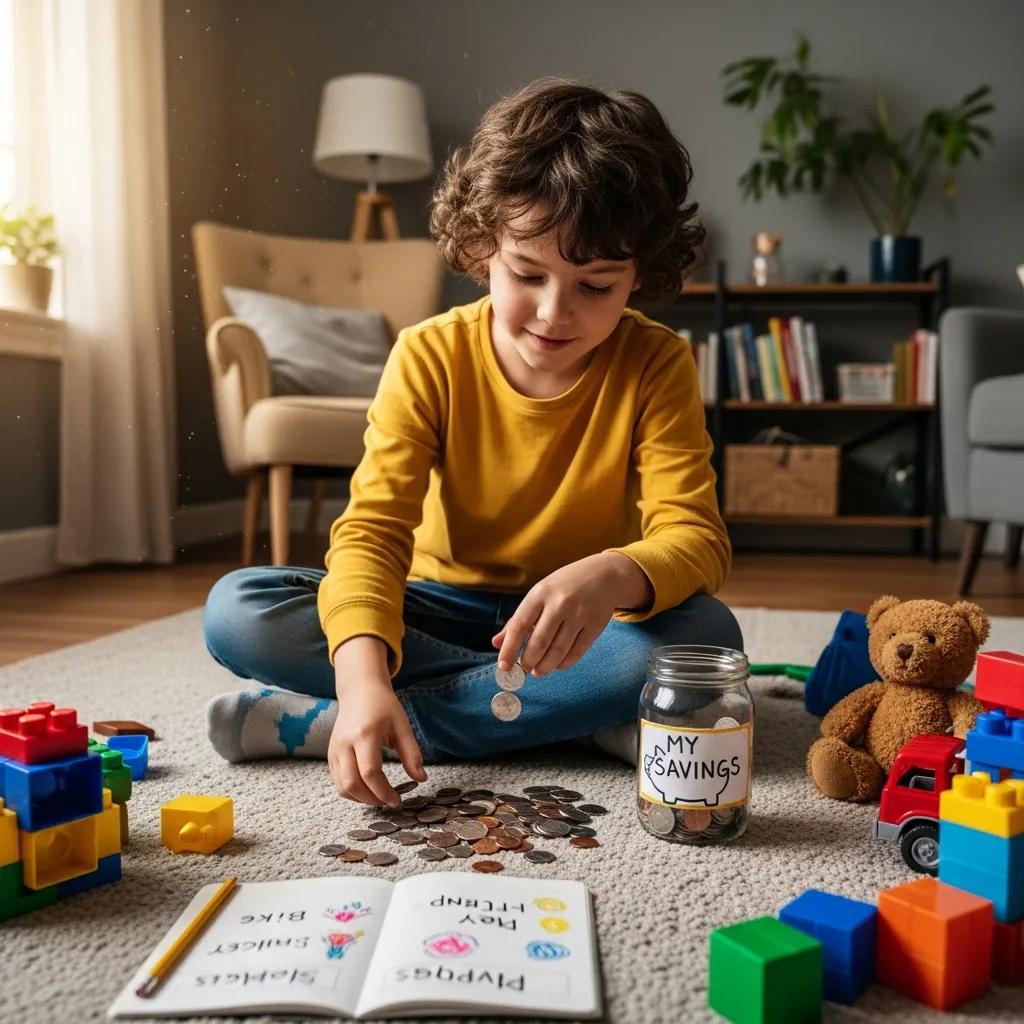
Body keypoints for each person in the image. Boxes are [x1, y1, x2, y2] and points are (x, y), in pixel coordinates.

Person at [203, 76, 742, 809]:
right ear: (485, 244)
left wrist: (613, 575)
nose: (555, 313)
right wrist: (364, 676)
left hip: (580, 621)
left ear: (638, 276)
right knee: (239, 608)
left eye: (596, 286)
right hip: (433, 604)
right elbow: (372, 532)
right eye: (528, 273)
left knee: (707, 635)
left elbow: (696, 538)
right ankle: (573, 717)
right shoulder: (429, 354)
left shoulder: (658, 362)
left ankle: (332, 724)